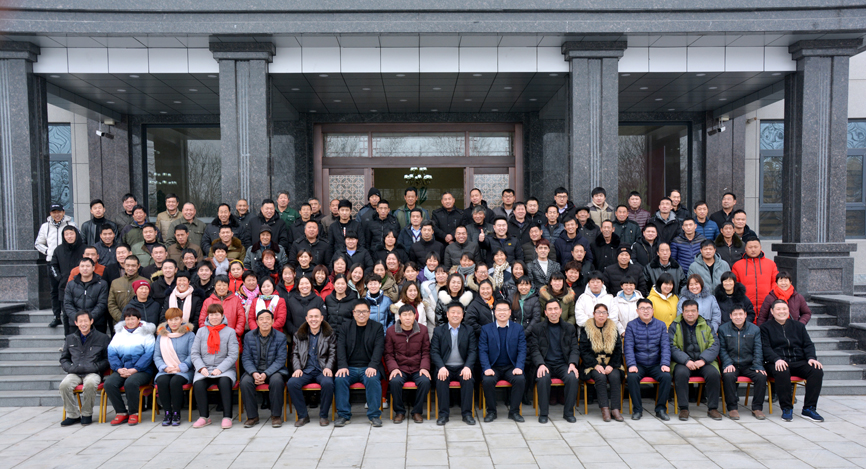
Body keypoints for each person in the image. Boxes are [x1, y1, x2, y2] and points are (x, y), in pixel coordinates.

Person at [761, 299, 825, 422]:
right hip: (776, 362)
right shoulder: (765, 327)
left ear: (788, 310)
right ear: (772, 312)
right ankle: (786, 408)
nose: (782, 311)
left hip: (798, 361)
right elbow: (765, 347)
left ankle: (809, 408)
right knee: (782, 370)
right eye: (778, 309)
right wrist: (776, 359)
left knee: (816, 371)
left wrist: (811, 358)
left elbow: (808, 344)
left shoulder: (798, 326)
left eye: (784, 309)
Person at [334, 300, 386, 427]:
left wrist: (373, 366)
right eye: (358, 311)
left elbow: (379, 348)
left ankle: (374, 416)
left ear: (369, 312)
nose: (361, 314)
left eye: (364, 311)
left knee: (373, 379)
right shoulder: (345, 327)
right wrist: (342, 366)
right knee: (340, 379)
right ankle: (343, 415)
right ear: (353, 313)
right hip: (349, 367)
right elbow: (340, 347)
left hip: (368, 366)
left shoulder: (377, 327)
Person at [669, 299, 722, 421]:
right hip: (683, 362)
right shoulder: (675, 325)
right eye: (687, 311)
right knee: (680, 373)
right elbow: (671, 346)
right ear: (682, 312)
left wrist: (703, 360)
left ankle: (713, 408)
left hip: (703, 361)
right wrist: (686, 360)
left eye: (693, 311)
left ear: (698, 312)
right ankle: (684, 408)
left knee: (713, 374)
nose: (690, 314)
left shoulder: (706, 325)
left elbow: (714, 345)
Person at [528, 301, 580, 423]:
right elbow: (534, 349)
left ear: (560, 311)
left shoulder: (569, 328)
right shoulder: (538, 328)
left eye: (556, 309)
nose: (553, 312)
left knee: (572, 377)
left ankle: (568, 413)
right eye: (550, 309)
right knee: (543, 378)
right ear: (545, 313)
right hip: (545, 364)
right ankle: (543, 414)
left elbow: (574, 348)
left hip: (563, 364)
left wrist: (572, 363)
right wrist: (540, 364)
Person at [190, 304, 240, 429]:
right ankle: (204, 417)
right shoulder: (201, 331)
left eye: (217, 314)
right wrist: (201, 368)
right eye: (211, 314)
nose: (214, 317)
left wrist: (220, 369)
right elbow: (194, 353)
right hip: (205, 368)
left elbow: (233, 354)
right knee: (198, 384)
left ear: (222, 316)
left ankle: (227, 416)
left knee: (224, 382)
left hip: (225, 369)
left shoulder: (230, 332)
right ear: (208, 316)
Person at [105, 307, 156, 426]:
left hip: (142, 370)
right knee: (109, 384)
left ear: (139, 319)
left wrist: (135, 369)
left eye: (133, 319)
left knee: (131, 383)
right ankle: (121, 412)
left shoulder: (146, 334)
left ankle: (134, 413)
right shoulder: (119, 334)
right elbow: (111, 353)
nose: (130, 321)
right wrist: (118, 368)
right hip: (122, 368)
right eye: (127, 319)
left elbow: (148, 354)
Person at [479, 299, 527, 423]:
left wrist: (519, 367)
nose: (502, 313)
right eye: (499, 310)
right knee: (487, 380)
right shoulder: (486, 329)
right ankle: (491, 412)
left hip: (511, 366)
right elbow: (482, 351)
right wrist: (487, 368)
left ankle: (514, 412)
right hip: (493, 366)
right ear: (494, 312)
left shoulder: (518, 328)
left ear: (510, 312)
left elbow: (522, 350)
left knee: (520, 379)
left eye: (505, 310)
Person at [59, 311, 110, 426]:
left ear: (91, 321)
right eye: (80, 321)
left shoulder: (102, 338)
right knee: (64, 385)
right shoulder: (70, 338)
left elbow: (107, 359)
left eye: (85, 321)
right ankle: (73, 415)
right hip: (75, 372)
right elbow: (64, 359)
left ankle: (87, 414)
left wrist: (95, 367)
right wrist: (70, 368)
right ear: (76, 323)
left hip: (93, 372)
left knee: (90, 384)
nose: (83, 324)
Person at [240, 308, 288, 428]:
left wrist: (266, 373)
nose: (265, 321)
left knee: (277, 381)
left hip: (274, 370)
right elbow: (246, 358)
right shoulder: (249, 336)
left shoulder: (281, 337)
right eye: (261, 319)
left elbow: (280, 360)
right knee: (245, 382)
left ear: (272, 321)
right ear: (257, 322)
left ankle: (276, 416)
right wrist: (254, 372)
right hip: (255, 370)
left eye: (268, 319)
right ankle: (252, 417)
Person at [624, 298, 671, 421]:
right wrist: (631, 364)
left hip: (656, 364)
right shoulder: (631, 325)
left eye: (648, 308)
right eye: (642, 308)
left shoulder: (661, 325)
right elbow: (628, 347)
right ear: (637, 311)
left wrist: (665, 363)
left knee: (666, 376)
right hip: (638, 364)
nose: (646, 311)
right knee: (632, 377)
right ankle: (637, 410)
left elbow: (665, 346)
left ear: (653, 310)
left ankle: (661, 409)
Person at [288, 307, 336, 427]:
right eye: (311, 317)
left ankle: (324, 415)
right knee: (292, 383)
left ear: (321, 318)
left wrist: (328, 367)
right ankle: (303, 416)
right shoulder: (299, 334)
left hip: (322, 369)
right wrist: (297, 368)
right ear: (306, 318)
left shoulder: (329, 334)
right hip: (305, 369)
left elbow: (333, 353)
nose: (313, 319)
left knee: (328, 383)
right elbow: (295, 354)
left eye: (316, 316)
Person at [430, 303, 477, 426]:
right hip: (445, 367)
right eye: (453, 312)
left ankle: (467, 414)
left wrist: (467, 367)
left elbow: (473, 351)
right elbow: (434, 352)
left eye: (458, 313)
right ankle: (443, 414)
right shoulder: (439, 331)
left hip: (463, 367)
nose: (455, 315)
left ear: (462, 315)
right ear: (447, 314)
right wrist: (441, 367)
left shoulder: (469, 330)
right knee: (441, 379)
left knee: (468, 380)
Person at [385, 305, 432, 423]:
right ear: (399, 317)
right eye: (404, 315)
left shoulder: (422, 330)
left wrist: (424, 367)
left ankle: (417, 412)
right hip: (400, 368)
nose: (407, 318)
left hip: (417, 368)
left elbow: (426, 352)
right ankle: (399, 412)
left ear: (415, 316)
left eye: (410, 314)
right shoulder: (391, 331)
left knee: (425, 381)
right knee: (395, 382)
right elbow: (388, 354)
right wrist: (394, 368)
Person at [718, 305, 767, 420]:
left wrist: (758, 365)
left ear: (745, 315)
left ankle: (757, 408)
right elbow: (722, 349)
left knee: (761, 376)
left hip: (749, 365)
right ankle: (732, 408)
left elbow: (758, 349)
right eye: (735, 314)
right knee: (728, 376)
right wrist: (727, 363)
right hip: (732, 364)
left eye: (741, 314)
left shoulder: (754, 329)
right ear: (730, 316)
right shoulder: (723, 329)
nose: (738, 317)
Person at [579, 303, 624, 422]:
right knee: (600, 377)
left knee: (615, 376)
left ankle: (615, 409)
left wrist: (611, 365)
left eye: (604, 312)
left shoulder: (613, 328)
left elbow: (618, 349)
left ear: (607, 315)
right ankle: (605, 409)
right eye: (598, 312)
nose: (601, 315)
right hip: (593, 365)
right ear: (594, 314)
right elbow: (584, 350)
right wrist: (595, 365)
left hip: (611, 363)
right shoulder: (586, 329)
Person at [153, 307, 195, 426]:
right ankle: (167, 412)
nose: (173, 322)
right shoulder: (161, 336)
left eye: (176, 319)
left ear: (181, 319)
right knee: (162, 381)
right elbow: (157, 355)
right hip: (166, 369)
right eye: (170, 320)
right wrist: (164, 367)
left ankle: (176, 412)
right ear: (167, 321)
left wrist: (181, 367)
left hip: (184, 370)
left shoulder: (189, 335)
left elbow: (192, 354)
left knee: (175, 381)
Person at [36, 203, 77, 323]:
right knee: (54, 289)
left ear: (63, 212)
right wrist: (49, 251)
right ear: (50, 213)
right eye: (54, 212)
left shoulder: (71, 225)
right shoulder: (45, 226)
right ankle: (56, 316)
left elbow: (78, 240)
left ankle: (69, 314)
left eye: (59, 212)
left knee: (69, 288)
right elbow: (38, 243)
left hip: (68, 262)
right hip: (52, 262)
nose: (57, 214)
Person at [51, 226, 86, 332]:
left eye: (71, 233)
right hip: (64, 286)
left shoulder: (84, 248)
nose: (69, 236)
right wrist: (59, 278)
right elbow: (53, 265)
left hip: (82, 286)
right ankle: (68, 338)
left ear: (76, 234)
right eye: (66, 234)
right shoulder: (58, 250)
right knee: (66, 314)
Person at [732, 238, 778, 315]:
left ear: (760, 247)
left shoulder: (771, 264)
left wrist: (771, 296)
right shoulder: (737, 265)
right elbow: (735, 285)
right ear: (745, 249)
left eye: (756, 247)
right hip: (746, 305)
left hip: (767, 304)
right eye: (750, 247)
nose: (753, 250)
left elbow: (775, 282)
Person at [64, 257, 109, 334]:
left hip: (96, 323)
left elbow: (102, 304)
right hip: (75, 324)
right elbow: (67, 304)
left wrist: (89, 319)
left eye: (88, 266)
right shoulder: (71, 284)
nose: (85, 268)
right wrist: (78, 319)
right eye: (82, 266)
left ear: (93, 268)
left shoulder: (102, 284)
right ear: (78, 268)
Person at [199, 275, 246, 347]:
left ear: (228, 286)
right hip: (211, 337)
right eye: (219, 285)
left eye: (224, 285)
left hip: (231, 337)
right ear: (215, 286)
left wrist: (236, 333)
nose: (221, 288)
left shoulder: (236, 300)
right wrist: (206, 333)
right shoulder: (208, 301)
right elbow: (202, 319)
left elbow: (241, 318)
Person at [107, 255, 146, 326]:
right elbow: (111, 304)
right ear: (124, 265)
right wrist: (123, 319)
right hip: (119, 324)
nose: (130, 268)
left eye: (133, 266)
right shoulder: (115, 282)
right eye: (128, 265)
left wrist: (136, 320)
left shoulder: (145, 282)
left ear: (138, 266)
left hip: (140, 324)